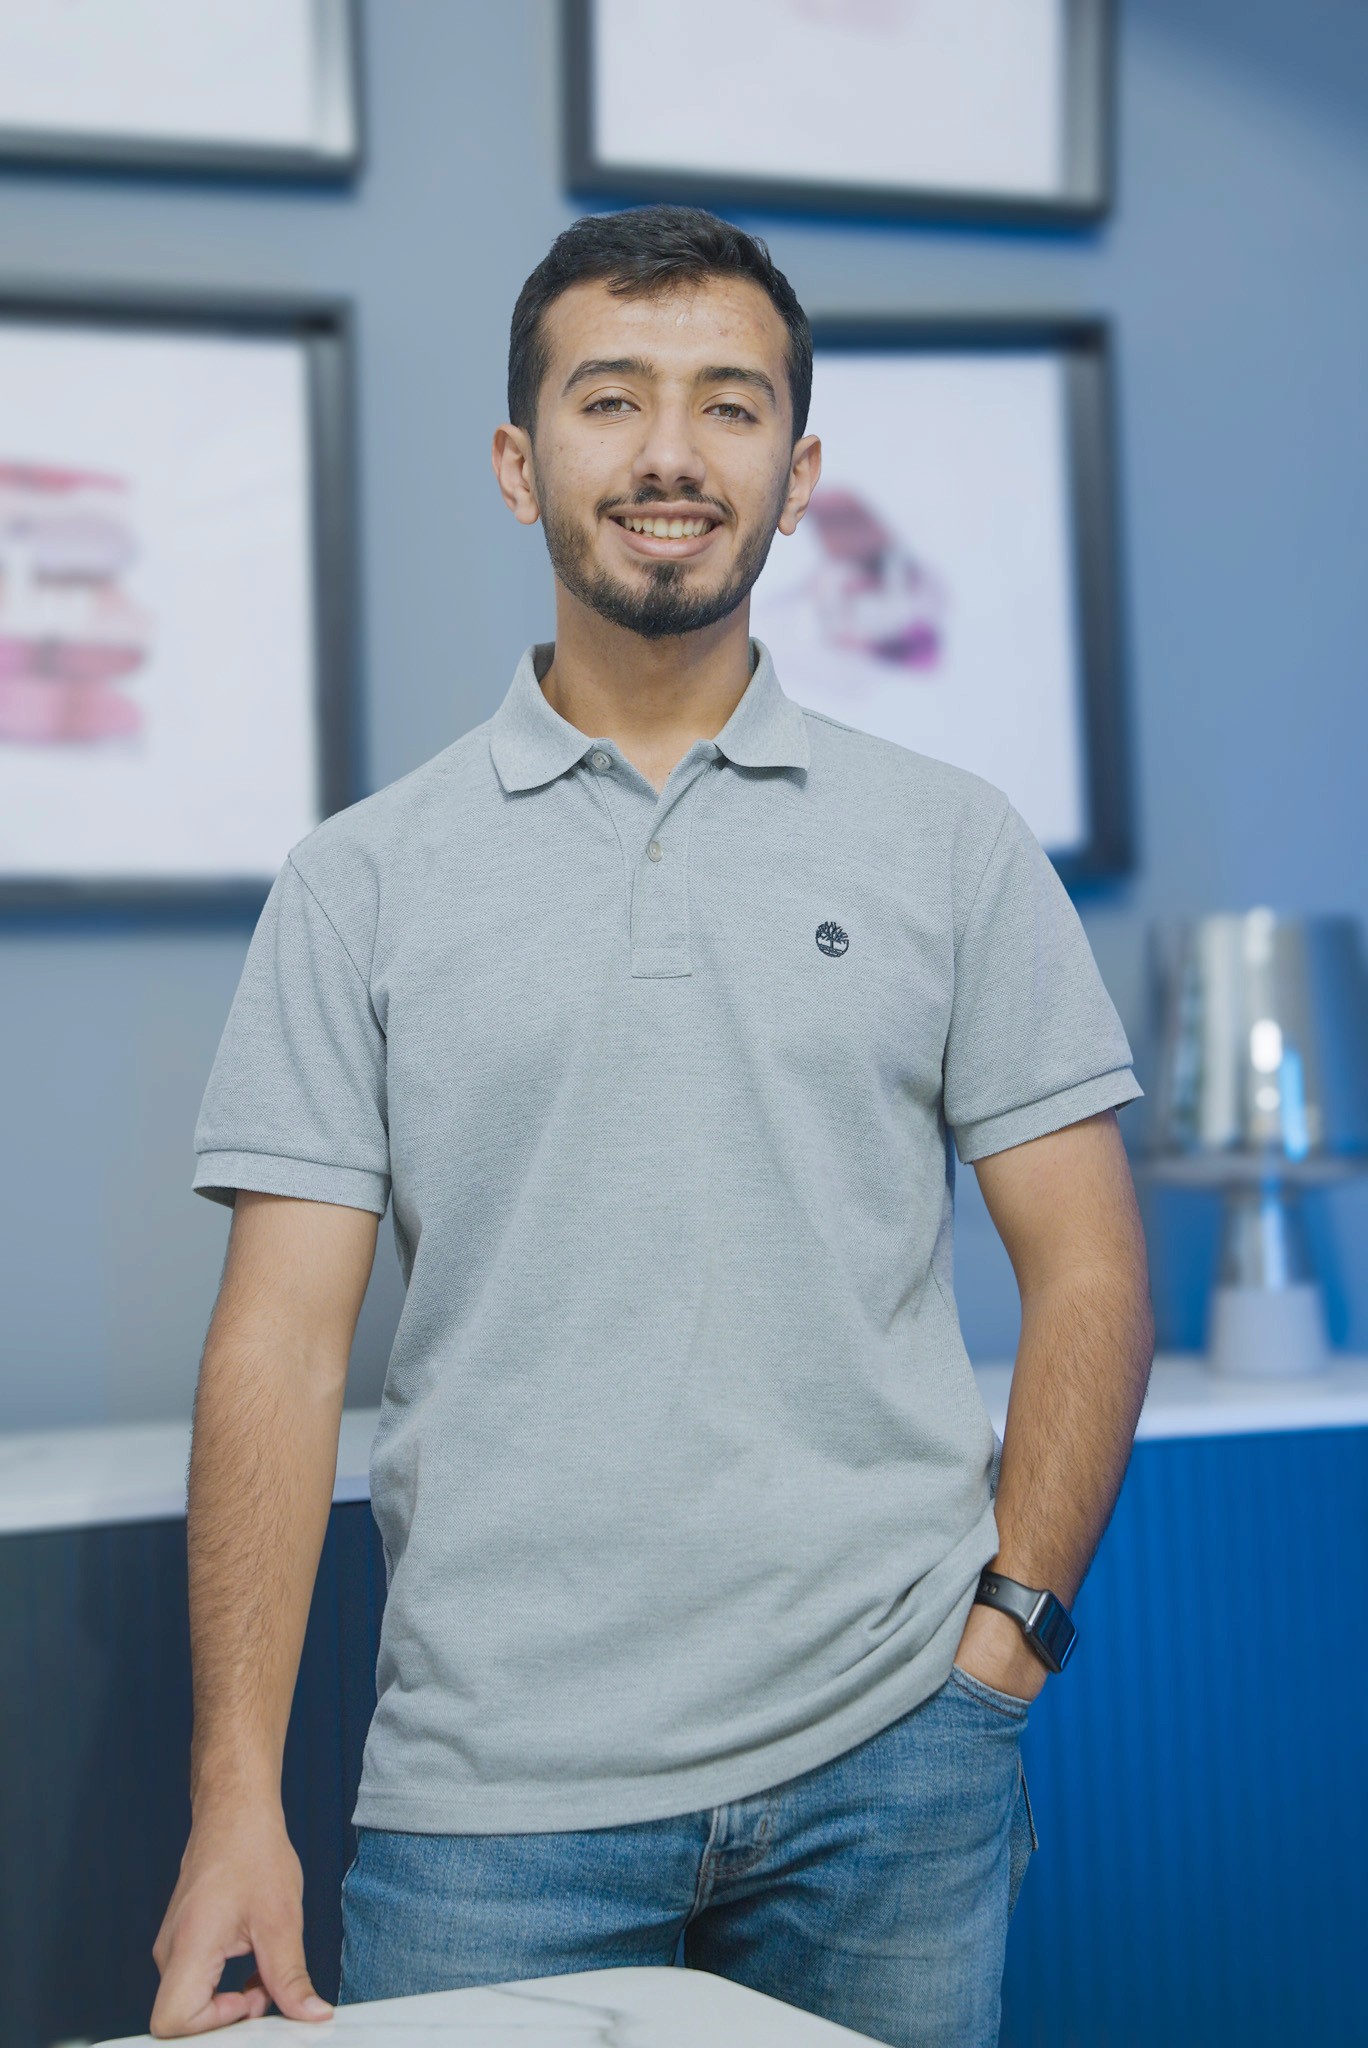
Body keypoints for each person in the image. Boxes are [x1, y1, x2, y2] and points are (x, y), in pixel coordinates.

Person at [150, 205, 1154, 2048]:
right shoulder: (360, 882)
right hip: (490, 1802)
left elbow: (1089, 1266)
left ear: (799, 470)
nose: (673, 454)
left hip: (892, 1776)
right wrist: (234, 1804)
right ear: (525, 465)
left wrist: (1005, 1647)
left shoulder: (950, 843)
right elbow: (278, 1353)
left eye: (730, 405)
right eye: (614, 401)